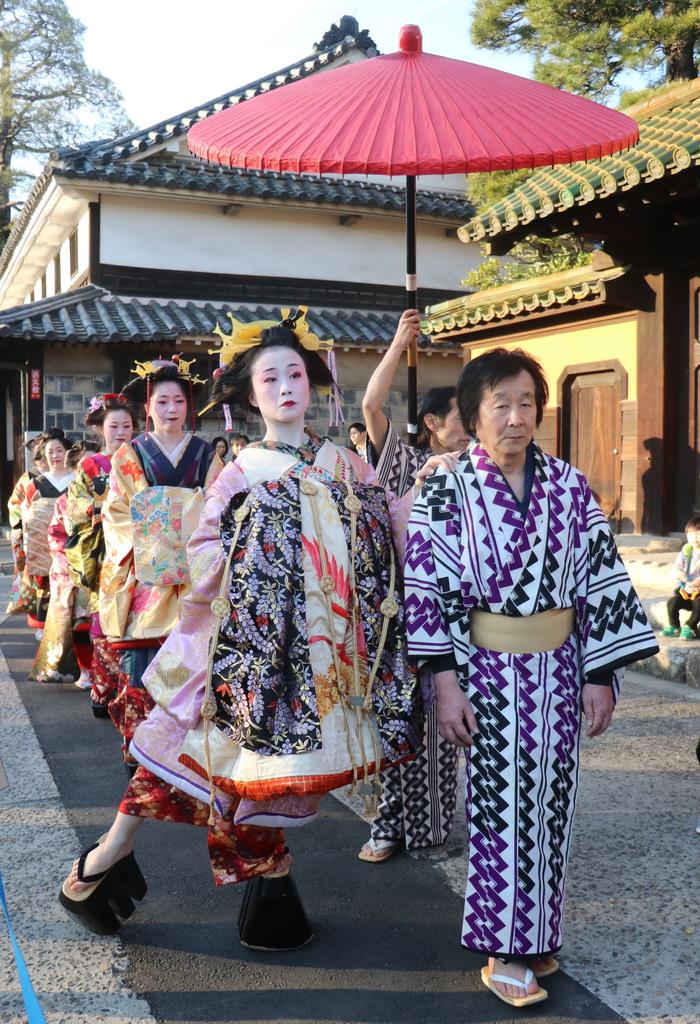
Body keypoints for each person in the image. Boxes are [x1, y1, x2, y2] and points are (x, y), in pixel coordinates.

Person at [59, 309, 436, 947]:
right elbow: (201, 548)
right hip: (243, 641)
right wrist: (244, 559)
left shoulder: (342, 461)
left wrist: (423, 497)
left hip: (318, 648)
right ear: (250, 395)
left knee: (256, 766)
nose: (286, 386)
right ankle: (115, 862)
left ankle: (139, 868)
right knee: (210, 754)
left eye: (296, 374)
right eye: (270, 379)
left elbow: (389, 526)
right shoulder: (238, 468)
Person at [404, 347, 658, 1009]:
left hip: (558, 669)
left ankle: (537, 932)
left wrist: (599, 673)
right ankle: (504, 947)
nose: (515, 418)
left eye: (525, 403)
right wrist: (445, 683)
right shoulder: (446, 486)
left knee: (552, 807)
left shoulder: (570, 486)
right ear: (473, 414)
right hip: (485, 670)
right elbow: (425, 586)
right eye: (500, 404)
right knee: (500, 808)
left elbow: (600, 580)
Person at [358, 308, 471, 863]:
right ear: (432, 422)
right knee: (396, 720)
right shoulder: (403, 463)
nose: (470, 427)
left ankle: (428, 829)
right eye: (461, 418)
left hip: (456, 615)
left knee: (443, 722)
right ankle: (387, 823)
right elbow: (371, 406)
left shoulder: (476, 467)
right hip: (396, 612)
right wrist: (400, 342)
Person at [99, 357, 224, 768]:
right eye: (162, 401)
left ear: (189, 405)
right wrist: (157, 538)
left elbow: (219, 507)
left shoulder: (207, 455)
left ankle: (184, 751)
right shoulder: (129, 455)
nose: (171, 409)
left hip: (193, 574)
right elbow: (118, 513)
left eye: (178, 401)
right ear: (147, 407)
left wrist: (183, 530)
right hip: (146, 577)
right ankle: (140, 748)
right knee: (142, 666)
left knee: (192, 664)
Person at [65, 395, 139, 715]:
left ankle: (132, 687)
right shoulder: (90, 466)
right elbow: (74, 510)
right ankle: (103, 686)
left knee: (136, 618)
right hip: (105, 549)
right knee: (103, 617)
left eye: (127, 425)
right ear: (100, 429)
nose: (121, 432)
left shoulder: (142, 458)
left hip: (138, 547)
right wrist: (101, 508)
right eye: (114, 426)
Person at [30, 441, 99, 684]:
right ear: (74, 471)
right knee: (79, 624)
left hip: (105, 567)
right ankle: (86, 669)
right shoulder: (65, 500)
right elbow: (56, 534)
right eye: (83, 467)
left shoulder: (110, 496)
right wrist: (70, 561)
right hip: (74, 567)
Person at [21, 430, 74, 636]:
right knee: (46, 587)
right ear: (44, 455)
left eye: (59, 450)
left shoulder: (76, 479)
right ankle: (44, 627)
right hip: (43, 546)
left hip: (69, 544)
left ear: (67, 452)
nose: (55, 455)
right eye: (50, 451)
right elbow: (27, 513)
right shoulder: (36, 484)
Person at [6, 433, 50, 615]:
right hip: (32, 531)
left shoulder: (64, 474)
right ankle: (31, 609)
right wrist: (27, 517)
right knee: (31, 575)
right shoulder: (28, 478)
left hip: (55, 530)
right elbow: (14, 503)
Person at [660, 517, 700, 640]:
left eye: (698, 534)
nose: (695, 538)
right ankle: (674, 626)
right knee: (672, 603)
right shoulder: (686, 551)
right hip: (687, 591)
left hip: (699, 594)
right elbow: (676, 567)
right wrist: (679, 574)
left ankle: (690, 627)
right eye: (691, 534)